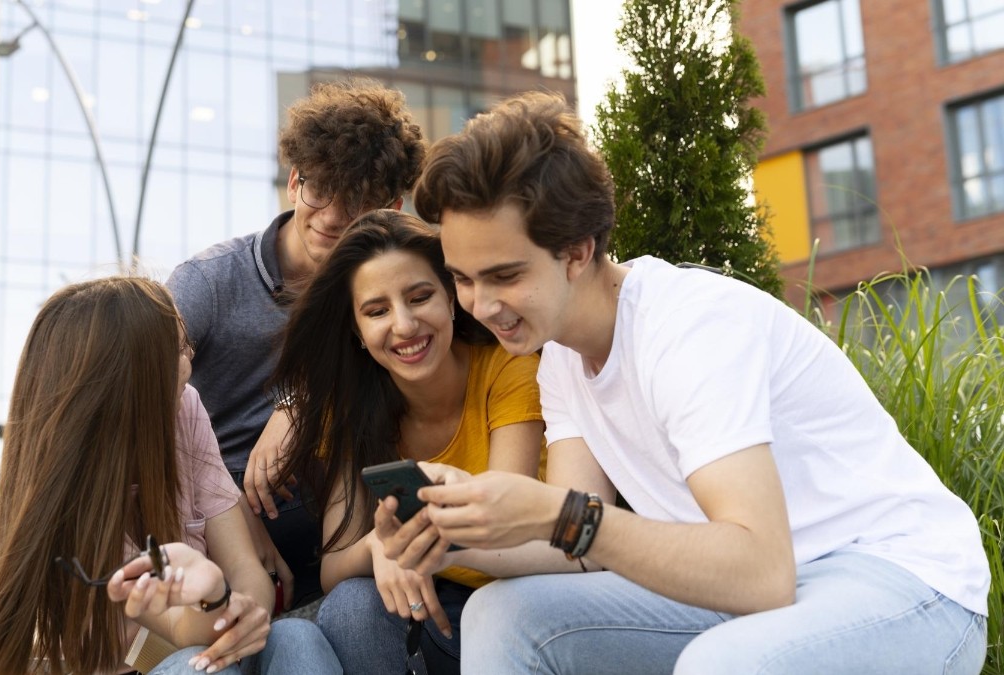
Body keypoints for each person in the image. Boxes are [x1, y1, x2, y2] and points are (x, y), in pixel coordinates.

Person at [375, 91, 991, 674]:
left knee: (723, 666)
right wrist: (449, 534)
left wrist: (559, 514)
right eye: (463, 279)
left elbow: (760, 571)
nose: (481, 306)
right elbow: (573, 546)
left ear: (578, 251)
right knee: (505, 615)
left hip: (901, 583)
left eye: (505, 276)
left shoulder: (687, 328)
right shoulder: (560, 353)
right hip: (753, 592)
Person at [0, 277, 339, 675]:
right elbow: (179, 631)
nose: (191, 355)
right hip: (152, 663)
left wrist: (246, 611)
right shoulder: (73, 503)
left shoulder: (185, 409)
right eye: (179, 349)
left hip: (216, 644)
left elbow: (245, 567)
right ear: (133, 380)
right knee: (198, 670)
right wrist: (214, 595)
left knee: (296, 637)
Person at [167, 78, 427, 608]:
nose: (331, 216)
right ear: (293, 181)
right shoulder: (209, 281)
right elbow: (138, 398)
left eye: (356, 200)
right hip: (208, 504)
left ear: (391, 208)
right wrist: (230, 515)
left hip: (334, 512)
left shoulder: (390, 292)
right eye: (320, 189)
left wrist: (296, 403)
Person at [268, 210, 550, 673]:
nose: (404, 325)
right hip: (428, 607)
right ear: (357, 331)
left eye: (420, 298)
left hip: (517, 600)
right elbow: (335, 567)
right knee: (351, 606)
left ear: (451, 297)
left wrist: (413, 544)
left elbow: (504, 531)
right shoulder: (350, 404)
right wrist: (379, 546)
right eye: (377, 311)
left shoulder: (508, 369)